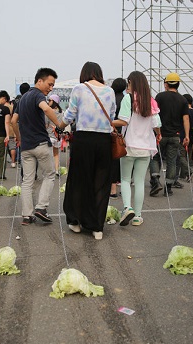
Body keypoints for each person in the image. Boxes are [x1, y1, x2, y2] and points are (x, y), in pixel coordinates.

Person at [61, 62, 115, 240]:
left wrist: (60, 126)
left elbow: (70, 115)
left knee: (79, 180)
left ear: (84, 73)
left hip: (84, 139)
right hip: (104, 140)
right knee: (100, 183)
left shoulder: (79, 88)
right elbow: (112, 116)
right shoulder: (110, 91)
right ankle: (97, 227)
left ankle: (76, 221)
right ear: (99, 73)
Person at [11, 68, 65, 226]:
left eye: (53, 85)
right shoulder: (38, 95)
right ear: (39, 81)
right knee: (49, 175)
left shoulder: (21, 99)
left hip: (26, 146)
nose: (51, 88)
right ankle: (41, 208)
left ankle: (27, 216)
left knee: (27, 181)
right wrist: (59, 126)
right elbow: (47, 108)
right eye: (49, 84)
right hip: (40, 144)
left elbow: (14, 121)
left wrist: (19, 138)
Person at [112, 71, 161, 226]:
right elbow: (156, 125)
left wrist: (109, 122)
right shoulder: (151, 101)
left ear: (131, 82)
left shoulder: (129, 98)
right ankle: (138, 216)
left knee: (125, 179)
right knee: (139, 181)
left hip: (129, 146)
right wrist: (158, 135)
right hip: (146, 147)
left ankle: (127, 208)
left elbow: (124, 121)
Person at [153, 73, 190, 197]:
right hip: (175, 135)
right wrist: (187, 136)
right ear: (178, 84)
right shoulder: (183, 100)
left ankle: (155, 180)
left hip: (160, 134)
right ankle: (168, 188)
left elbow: (154, 115)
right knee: (172, 161)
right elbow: (186, 119)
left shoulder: (160, 96)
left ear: (166, 84)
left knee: (155, 157)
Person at [110, 77, 127, 198]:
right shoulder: (126, 99)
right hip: (125, 133)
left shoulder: (111, 99)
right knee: (124, 160)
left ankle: (113, 189)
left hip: (112, 132)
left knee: (113, 160)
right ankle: (124, 186)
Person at [47, 94, 63, 175]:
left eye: (49, 100)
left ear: (54, 101)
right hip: (58, 137)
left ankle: (50, 171)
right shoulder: (61, 112)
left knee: (49, 155)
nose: (48, 102)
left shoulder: (48, 111)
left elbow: (45, 125)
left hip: (49, 135)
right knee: (56, 154)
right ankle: (56, 170)